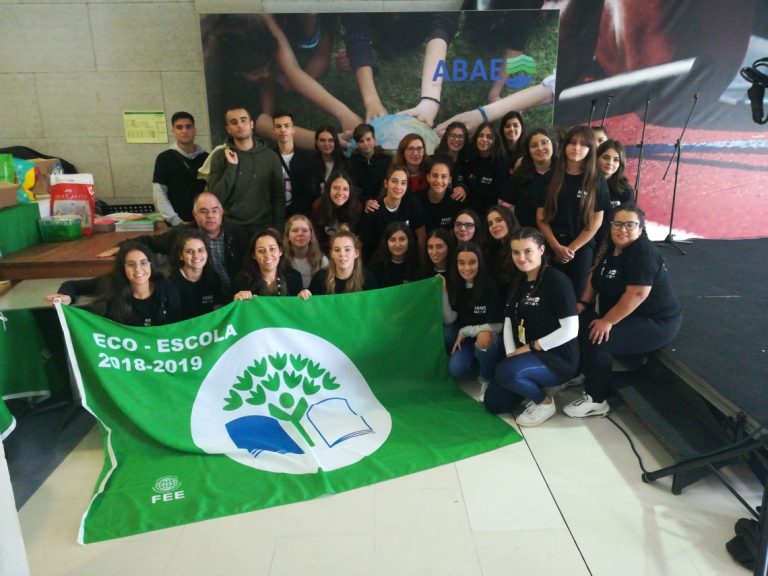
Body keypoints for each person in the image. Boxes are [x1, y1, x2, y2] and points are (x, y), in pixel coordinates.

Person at [563, 204, 682, 418]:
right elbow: (594, 275)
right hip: (625, 315)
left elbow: (637, 294)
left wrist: (607, 320)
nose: (623, 229)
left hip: (655, 321)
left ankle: (596, 399)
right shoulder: (612, 246)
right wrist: (582, 304)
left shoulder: (643, 253)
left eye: (630, 224)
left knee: (597, 339)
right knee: (578, 322)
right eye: (618, 224)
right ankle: (584, 372)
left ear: (641, 228)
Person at [485, 228, 579, 426]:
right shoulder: (518, 280)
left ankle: (544, 401)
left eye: (528, 251)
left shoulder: (557, 282)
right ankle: (530, 381)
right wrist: (512, 354)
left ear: (541, 250)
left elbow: (570, 330)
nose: (521, 257)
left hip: (557, 358)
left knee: (506, 372)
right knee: (494, 404)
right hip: (526, 354)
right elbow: (509, 320)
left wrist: (529, 348)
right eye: (516, 252)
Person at [98, 192, 248, 297]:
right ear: (195, 214)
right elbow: (150, 242)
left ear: (221, 212)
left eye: (214, 210)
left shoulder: (237, 233)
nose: (210, 215)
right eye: (203, 211)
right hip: (197, 298)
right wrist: (122, 246)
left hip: (236, 296)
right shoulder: (181, 234)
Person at [536, 125, 610, 297]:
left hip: (580, 249)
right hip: (550, 245)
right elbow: (541, 217)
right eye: (572, 143)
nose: (577, 148)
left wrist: (570, 249)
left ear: (590, 150)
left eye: (583, 144)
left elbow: (596, 222)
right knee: (547, 293)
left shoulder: (596, 180)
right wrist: (556, 247)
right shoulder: (550, 177)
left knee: (574, 296)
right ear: (565, 146)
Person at [46, 242, 181, 326]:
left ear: (151, 265)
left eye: (143, 263)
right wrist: (67, 297)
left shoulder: (166, 289)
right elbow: (72, 285)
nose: (138, 269)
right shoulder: (111, 283)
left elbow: (175, 328)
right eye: (131, 265)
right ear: (123, 268)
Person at [206, 106, 285, 234]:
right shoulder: (220, 156)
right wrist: (232, 167)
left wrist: (277, 228)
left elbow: (278, 196)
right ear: (228, 129)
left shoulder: (271, 157)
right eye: (234, 122)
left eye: (243, 120)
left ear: (252, 124)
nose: (240, 125)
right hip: (229, 228)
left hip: (263, 228)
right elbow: (215, 198)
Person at [445, 241, 503, 397]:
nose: (467, 268)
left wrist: (466, 331)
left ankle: (487, 378)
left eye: (472, 262)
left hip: (490, 336)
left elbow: (498, 326)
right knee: (456, 369)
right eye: (461, 263)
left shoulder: (489, 285)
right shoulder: (456, 284)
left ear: (480, 262)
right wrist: (444, 292)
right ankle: (478, 360)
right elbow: (449, 318)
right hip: (469, 338)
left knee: (484, 336)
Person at [360, 163, 427, 261]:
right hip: (381, 262)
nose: (398, 186)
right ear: (386, 183)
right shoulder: (373, 210)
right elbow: (365, 245)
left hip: (408, 260)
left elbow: (421, 235)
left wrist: (421, 263)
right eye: (394, 181)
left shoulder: (412, 203)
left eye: (403, 183)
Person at [152, 111, 208, 226]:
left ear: (194, 130)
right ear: (173, 131)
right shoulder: (164, 158)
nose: (184, 131)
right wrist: (176, 221)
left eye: (188, 127)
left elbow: (211, 190)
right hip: (176, 224)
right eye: (179, 127)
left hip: (203, 222)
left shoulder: (206, 157)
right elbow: (159, 193)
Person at [503, 128, 556, 229]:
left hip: (558, 235)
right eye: (534, 145)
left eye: (544, 143)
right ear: (528, 151)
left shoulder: (563, 172)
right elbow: (506, 206)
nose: (540, 148)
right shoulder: (519, 175)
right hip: (525, 234)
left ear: (553, 144)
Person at [167, 229, 225, 319]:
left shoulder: (214, 278)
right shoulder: (170, 284)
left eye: (201, 250)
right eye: (190, 251)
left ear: (207, 253)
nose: (196, 256)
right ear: (180, 255)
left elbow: (218, 310)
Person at [233, 229, 303, 299]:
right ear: (254, 255)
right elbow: (233, 307)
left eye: (272, 249)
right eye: (261, 251)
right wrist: (237, 299)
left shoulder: (295, 277)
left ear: (280, 251)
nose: (267, 255)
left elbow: (299, 307)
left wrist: (304, 297)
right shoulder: (242, 280)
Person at [308, 228, 378, 294]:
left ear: (356, 253)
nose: (342, 254)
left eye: (347, 249)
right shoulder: (320, 278)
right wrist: (304, 296)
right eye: (337, 250)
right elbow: (309, 305)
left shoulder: (368, 279)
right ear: (331, 254)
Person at [272, 111, 316, 218]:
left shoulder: (307, 158)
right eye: (278, 126)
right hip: (274, 216)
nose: (282, 130)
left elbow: (311, 191)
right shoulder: (269, 158)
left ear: (293, 129)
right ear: (274, 130)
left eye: (286, 126)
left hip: (301, 215)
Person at [311, 170, 363, 252]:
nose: (340, 193)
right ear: (329, 189)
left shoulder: (356, 207)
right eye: (336, 188)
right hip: (324, 251)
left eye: (345, 189)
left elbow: (357, 236)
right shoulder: (318, 206)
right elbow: (318, 238)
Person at [464, 122, 508, 216]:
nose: (484, 139)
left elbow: (498, 195)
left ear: (495, 140)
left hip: (490, 213)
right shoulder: (469, 157)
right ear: (476, 138)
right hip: (468, 211)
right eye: (481, 135)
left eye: (489, 137)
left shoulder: (501, 162)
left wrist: (474, 184)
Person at [347, 124, 392, 204]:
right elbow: (353, 187)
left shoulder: (387, 159)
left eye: (368, 139)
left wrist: (378, 201)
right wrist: (366, 201)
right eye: (361, 141)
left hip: (384, 202)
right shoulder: (351, 162)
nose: (365, 144)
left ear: (374, 140)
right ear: (357, 144)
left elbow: (389, 183)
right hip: (361, 203)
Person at [367, 222, 421, 288]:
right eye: (392, 240)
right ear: (386, 242)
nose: (397, 244)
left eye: (402, 239)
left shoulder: (417, 267)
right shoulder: (375, 267)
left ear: (409, 241)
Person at [416, 157, 463, 232]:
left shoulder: (456, 199)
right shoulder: (417, 199)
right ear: (428, 177)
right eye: (435, 175)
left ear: (449, 179)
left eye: (444, 177)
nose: (439, 180)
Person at [283, 214, 328, 289]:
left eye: (305, 230)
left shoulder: (322, 261)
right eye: (295, 230)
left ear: (311, 235)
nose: (300, 234)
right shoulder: (281, 261)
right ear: (288, 236)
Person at [484, 205, 520, 294]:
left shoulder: (521, 247)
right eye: (490, 224)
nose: (494, 226)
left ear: (509, 220)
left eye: (499, 220)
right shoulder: (492, 250)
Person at [433, 121, 470, 201]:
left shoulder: (467, 163)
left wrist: (463, 188)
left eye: (460, 136)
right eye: (453, 136)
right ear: (447, 137)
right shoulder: (434, 160)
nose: (456, 139)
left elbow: (469, 182)